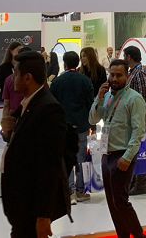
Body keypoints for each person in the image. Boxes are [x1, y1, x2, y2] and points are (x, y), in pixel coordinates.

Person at [0, 51, 70, 238]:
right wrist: (8, 132)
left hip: (31, 205)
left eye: (16, 73)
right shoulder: (28, 104)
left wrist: (43, 215)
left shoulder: (49, 109)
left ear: (28, 78)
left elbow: (50, 166)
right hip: (21, 204)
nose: (12, 78)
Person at [89, 59, 146, 238]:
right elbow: (92, 119)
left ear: (127, 76)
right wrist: (99, 98)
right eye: (112, 75)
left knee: (120, 201)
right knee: (112, 202)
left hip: (122, 155)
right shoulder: (106, 96)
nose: (114, 79)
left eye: (119, 75)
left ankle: (139, 236)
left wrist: (128, 157)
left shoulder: (134, 99)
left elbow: (138, 131)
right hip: (107, 154)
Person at [50, 51, 95, 203]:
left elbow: (53, 105)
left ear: (64, 63)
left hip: (64, 126)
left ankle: (69, 192)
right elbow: (90, 104)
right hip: (82, 125)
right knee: (81, 158)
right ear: (78, 63)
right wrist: (92, 124)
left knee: (66, 158)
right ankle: (80, 191)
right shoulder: (85, 81)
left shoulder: (57, 82)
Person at [122, 45, 146, 196]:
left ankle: (140, 183)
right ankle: (134, 181)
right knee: (134, 151)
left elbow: (141, 98)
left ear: (129, 57)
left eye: (124, 56)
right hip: (132, 119)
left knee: (139, 152)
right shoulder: (133, 72)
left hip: (136, 119)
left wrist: (138, 119)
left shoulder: (139, 74)